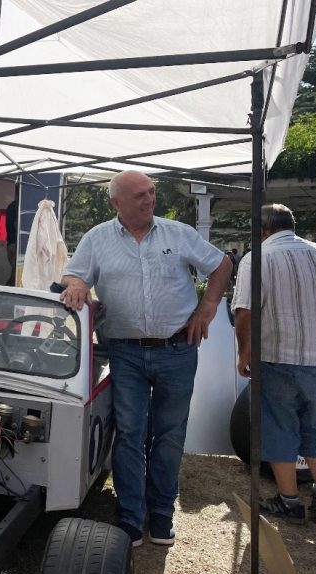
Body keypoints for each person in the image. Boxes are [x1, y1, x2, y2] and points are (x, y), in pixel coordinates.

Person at [58, 170, 231, 548]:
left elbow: (221, 264)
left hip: (177, 350)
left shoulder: (177, 233)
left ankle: (162, 513)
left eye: (151, 191)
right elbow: (72, 275)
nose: (150, 199)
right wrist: (78, 284)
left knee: (169, 435)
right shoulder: (97, 238)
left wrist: (207, 310)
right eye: (139, 195)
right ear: (116, 203)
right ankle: (130, 516)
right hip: (127, 353)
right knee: (130, 434)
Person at [231, 204, 316, 525]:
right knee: (314, 421)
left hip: (278, 357)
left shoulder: (257, 258)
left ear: (262, 231)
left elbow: (245, 312)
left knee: (278, 426)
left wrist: (244, 352)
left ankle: (289, 500)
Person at [5, 196, 19, 286]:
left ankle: (8, 287)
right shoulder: (16, 206)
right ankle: (9, 289)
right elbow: (14, 225)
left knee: (15, 270)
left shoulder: (11, 206)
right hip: (14, 244)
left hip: (11, 244)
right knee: (16, 271)